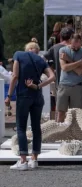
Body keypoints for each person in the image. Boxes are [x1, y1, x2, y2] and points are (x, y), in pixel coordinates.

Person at [5, 42, 55, 170]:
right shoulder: (41, 60)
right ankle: (34, 159)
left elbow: (15, 75)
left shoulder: (19, 55)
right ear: (37, 51)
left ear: (27, 49)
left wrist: (9, 96)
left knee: (21, 127)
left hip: (24, 95)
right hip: (37, 96)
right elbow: (52, 77)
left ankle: (23, 160)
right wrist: (38, 86)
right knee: (36, 127)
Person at [57, 34, 82, 122]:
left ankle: (74, 134)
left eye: (78, 44)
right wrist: (79, 62)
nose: (75, 46)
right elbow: (64, 68)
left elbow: (79, 72)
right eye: (74, 44)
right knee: (61, 113)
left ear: (81, 42)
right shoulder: (63, 50)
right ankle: (59, 134)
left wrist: (69, 60)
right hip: (64, 85)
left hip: (77, 86)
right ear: (70, 41)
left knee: (75, 115)